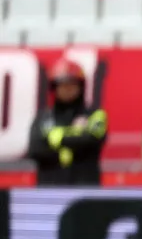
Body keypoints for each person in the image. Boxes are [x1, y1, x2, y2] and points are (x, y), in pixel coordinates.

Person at [27, 58, 108, 186]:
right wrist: (70, 144)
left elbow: (94, 139)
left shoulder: (95, 115)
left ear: (81, 87)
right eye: (62, 85)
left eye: (72, 84)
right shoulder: (43, 117)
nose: (67, 89)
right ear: (54, 88)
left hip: (85, 188)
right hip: (49, 188)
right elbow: (34, 149)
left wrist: (59, 138)